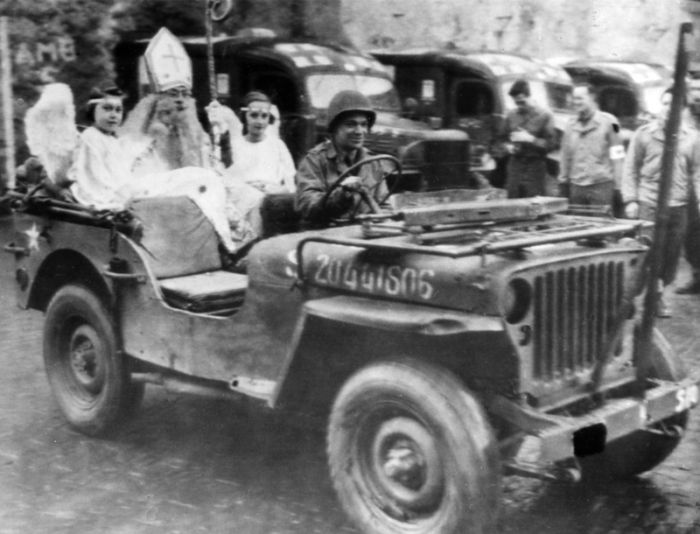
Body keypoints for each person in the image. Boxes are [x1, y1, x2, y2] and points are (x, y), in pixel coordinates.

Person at [68, 87, 238, 253]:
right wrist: (120, 198)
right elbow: (95, 178)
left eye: (118, 110)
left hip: (132, 187)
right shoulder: (91, 137)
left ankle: (224, 237)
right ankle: (227, 242)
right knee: (199, 179)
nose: (113, 115)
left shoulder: (112, 139)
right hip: (122, 192)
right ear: (92, 110)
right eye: (107, 109)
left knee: (203, 177)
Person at [621, 87, 700, 317]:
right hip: (648, 204)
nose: (668, 110)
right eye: (665, 104)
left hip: (678, 207)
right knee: (644, 255)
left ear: (683, 110)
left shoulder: (693, 138)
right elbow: (630, 168)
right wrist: (631, 200)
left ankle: (657, 297)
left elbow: (697, 172)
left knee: (670, 258)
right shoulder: (644, 134)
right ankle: (631, 298)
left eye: (674, 105)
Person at [295, 90, 390, 229]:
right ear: (334, 127)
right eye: (351, 124)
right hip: (325, 237)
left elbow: (385, 205)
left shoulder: (373, 163)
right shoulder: (315, 161)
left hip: (363, 235)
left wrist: (384, 222)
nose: (359, 131)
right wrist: (340, 196)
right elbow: (307, 206)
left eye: (363, 124)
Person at [558, 84, 625, 209]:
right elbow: (565, 155)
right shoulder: (570, 125)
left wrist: (618, 187)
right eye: (574, 98)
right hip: (576, 187)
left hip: (601, 187)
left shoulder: (611, 122)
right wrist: (563, 181)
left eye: (580, 98)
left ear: (592, 98)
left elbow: (618, 158)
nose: (576, 102)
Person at [498, 79, 557, 198]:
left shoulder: (545, 115)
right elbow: (500, 139)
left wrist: (530, 139)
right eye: (516, 103)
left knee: (534, 202)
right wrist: (507, 147)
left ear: (529, 96)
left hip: (535, 166)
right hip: (515, 166)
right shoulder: (511, 115)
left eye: (522, 102)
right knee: (513, 200)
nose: (519, 105)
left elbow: (551, 145)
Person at [677, 81, 700, 294]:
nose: (697, 96)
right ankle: (697, 277)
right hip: (690, 183)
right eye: (694, 91)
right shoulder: (684, 119)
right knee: (692, 235)